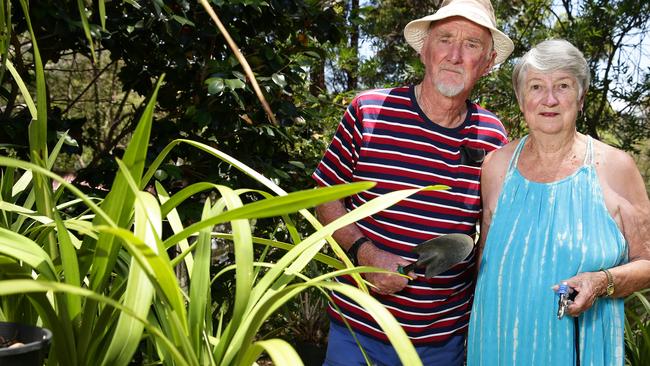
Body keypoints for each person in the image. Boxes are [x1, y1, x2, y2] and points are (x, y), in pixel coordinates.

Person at [311, 0, 514, 364]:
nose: (454, 54)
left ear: (486, 63)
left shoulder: (493, 136)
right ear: (425, 50)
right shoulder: (369, 111)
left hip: (443, 344)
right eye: (445, 39)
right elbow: (325, 195)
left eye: (471, 44)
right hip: (357, 333)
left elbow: (492, 229)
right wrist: (365, 253)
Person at [466, 39, 650, 365]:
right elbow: (486, 258)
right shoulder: (495, 167)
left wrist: (601, 282)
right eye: (536, 86)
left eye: (563, 85)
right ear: (522, 100)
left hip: (580, 345)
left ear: (580, 98)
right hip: (496, 343)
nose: (549, 99)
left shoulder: (616, 167)